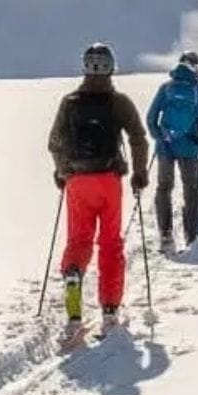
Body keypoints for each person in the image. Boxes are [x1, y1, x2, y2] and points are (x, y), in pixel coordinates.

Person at [46, 41, 149, 340]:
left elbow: (55, 143)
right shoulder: (119, 102)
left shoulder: (70, 102)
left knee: (79, 239)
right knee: (110, 243)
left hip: (78, 181)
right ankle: (109, 309)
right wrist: (140, 172)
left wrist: (63, 170)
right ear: (112, 67)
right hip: (108, 181)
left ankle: (74, 282)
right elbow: (138, 137)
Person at [145, 51, 198, 254]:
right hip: (189, 147)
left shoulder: (166, 88)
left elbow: (150, 118)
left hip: (165, 147)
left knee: (164, 187)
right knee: (190, 190)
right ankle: (192, 235)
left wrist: (160, 135)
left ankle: (166, 235)